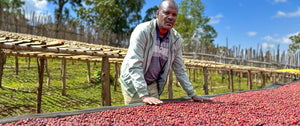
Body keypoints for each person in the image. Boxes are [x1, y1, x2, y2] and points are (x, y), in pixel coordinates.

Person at [119, 0, 211, 105]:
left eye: (174, 15)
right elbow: (134, 64)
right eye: (166, 13)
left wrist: (192, 94)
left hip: (152, 84)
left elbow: (179, 68)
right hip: (133, 83)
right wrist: (144, 95)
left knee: (154, 116)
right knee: (136, 115)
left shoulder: (176, 39)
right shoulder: (143, 31)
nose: (170, 17)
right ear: (157, 14)